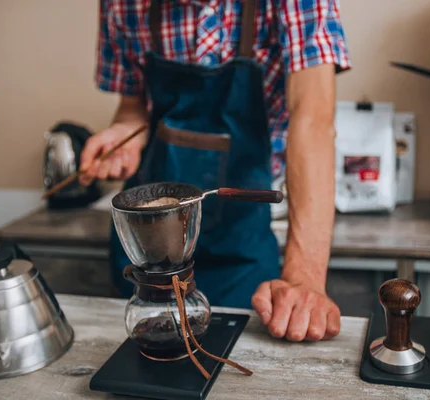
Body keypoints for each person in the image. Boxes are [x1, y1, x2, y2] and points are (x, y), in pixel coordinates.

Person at [80, 0, 350, 342]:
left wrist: (303, 278)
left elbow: (312, 121)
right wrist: (124, 134)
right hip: (148, 240)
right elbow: (133, 108)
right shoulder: (122, 5)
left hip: (241, 238)